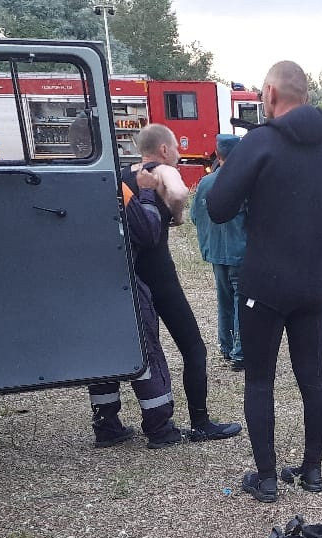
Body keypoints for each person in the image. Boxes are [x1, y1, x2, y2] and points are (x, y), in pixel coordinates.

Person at [205, 60, 322, 503]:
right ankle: (312, 471)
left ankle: (267, 478)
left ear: (269, 93)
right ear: (305, 95)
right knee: (312, 376)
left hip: (264, 285)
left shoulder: (260, 142)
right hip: (311, 285)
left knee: (259, 380)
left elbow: (217, 207)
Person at [123, 123, 242, 442]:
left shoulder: (126, 174)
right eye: (175, 148)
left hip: (134, 276)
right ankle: (201, 423)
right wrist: (176, 216)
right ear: (163, 149)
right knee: (193, 348)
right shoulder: (163, 170)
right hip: (161, 276)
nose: (177, 154)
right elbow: (177, 192)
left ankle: (118, 420)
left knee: (145, 349)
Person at [88, 169, 185, 449]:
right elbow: (148, 231)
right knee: (145, 353)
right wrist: (145, 193)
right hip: (122, 286)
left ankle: (106, 425)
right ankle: (160, 427)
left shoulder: (59, 185)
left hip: (84, 293)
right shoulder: (114, 185)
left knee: (102, 358)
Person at [192, 134, 246, 372]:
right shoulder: (245, 184)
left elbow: (195, 216)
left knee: (224, 300)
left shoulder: (205, 182)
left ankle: (225, 346)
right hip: (240, 252)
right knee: (241, 302)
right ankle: (240, 353)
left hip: (215, 252)